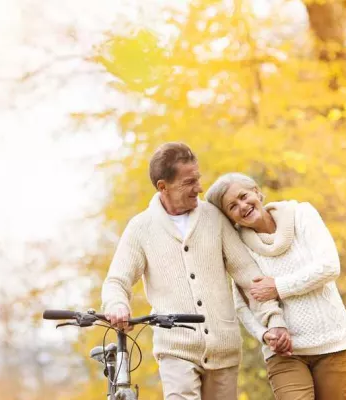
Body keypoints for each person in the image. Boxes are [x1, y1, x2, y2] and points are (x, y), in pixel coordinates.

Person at [101, 143, 289, 400]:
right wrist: (116, 304)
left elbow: (249, 277)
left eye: (198, 179)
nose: (199, 188)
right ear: (162, 186)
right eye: (189, 182)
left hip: (224, 350)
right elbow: (116, 281)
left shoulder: (214, 218)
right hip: (175, 349)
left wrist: (273, 320)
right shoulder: (141, 228)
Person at [205, 172, 346, 400]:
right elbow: (243, 304)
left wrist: (278, 286)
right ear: (230, 218)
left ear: (256, 191)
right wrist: (264, 334)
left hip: (333, 344)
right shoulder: (240, 247)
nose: (243, 206)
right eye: (232, 207)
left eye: (244, 196)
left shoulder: (301, 214)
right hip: (285, 355)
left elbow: (329, 267)